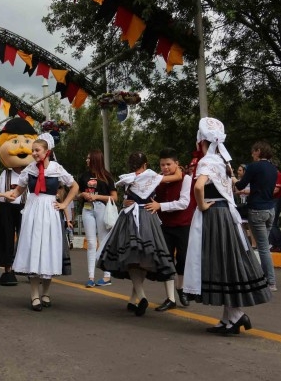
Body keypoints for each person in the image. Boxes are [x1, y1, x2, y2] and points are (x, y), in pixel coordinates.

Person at [184, 118, 271, 335]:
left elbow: (199, 186)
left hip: (214, 215)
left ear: (201, 141)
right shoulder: (224, 161)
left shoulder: (207, 161)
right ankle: (229, 318)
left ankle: (235, 316)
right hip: (227, 215)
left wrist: (202, 204)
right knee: (227, 263)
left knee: (220, 263)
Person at [97, 152, 181, 317]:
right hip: (146, 217)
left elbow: (128, 198)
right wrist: (178, 167)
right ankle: (143, 297)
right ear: (145, 164)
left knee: (133, 259)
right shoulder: (150, 176)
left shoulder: (127, 178)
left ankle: (135, 298)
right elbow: (176, 176)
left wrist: (125, 201)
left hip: (128, 217)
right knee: (144, 258)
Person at [4, 133, 79, 311]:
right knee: (34, 248)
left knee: (48, 250)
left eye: (37, 150)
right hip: (33, 210)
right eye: (33, 151)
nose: (35, 153)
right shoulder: (30, 169)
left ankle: (45, 292)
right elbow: (18, 192)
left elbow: (74, 186)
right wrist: (6, 195)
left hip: (51, 210)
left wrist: (65, 204)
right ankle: (34, 295)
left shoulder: (56, 168)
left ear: (47, 151)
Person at [145, 148, 196, 311]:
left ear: (176, 163)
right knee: (166, 261)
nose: (165, 167)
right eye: (162, 164)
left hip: (184, 225)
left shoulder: (186, 179)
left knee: (182, 259)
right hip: (165, 226)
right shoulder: (159, 180)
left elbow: (184, 202)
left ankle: (181, 289)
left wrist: (160, 205)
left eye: (168, 164)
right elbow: (151, 197)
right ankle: (170, 298)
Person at [0, 117, 37, 286]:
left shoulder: (32, 174)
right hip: (6, 209)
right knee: (6, 238)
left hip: (26, 208)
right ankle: (8, 269)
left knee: (26, 238)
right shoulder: (6, 174)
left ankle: (28, 268)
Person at [233, 141, 278, 292]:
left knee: (263, 248)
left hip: (257, 210)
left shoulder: (254, 167)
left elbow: (240, 185)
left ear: (258, 151)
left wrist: (232, 177)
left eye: (253, 152)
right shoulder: (273, 168)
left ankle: (270, 282)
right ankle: (264, 277)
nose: (252, 155)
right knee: (264, 247)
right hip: (270, 209)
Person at [77, 149, 117, 287]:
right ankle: (91, 277)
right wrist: (82, 195)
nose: (87, 160)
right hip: (87, 209)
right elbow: (77, 194)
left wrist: (97, 196)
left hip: (102, 208)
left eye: (89, 158)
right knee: (91, 243)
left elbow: (115, 197)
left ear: (96, 159)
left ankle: (107, 276)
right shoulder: (83, 176)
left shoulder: (107, 176)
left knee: (103, 241)